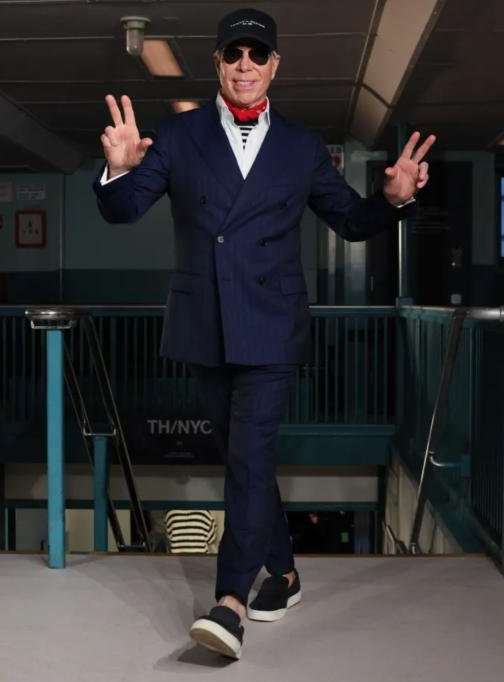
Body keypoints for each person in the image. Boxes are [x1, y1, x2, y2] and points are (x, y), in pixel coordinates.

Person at [93, 8, 435, 660]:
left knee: (249, 458)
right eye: (233, 54)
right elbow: (124, 209)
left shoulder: (303, 148)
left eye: (257, 54)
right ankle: (284, 572)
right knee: (246, 462)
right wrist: (116, 168)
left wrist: (392, 201)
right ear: (216, 64)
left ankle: (230, 603)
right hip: (203, 327)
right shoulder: (180, 134)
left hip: (272, 330)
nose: (245, 65)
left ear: (274, 65)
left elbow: (353, 222)